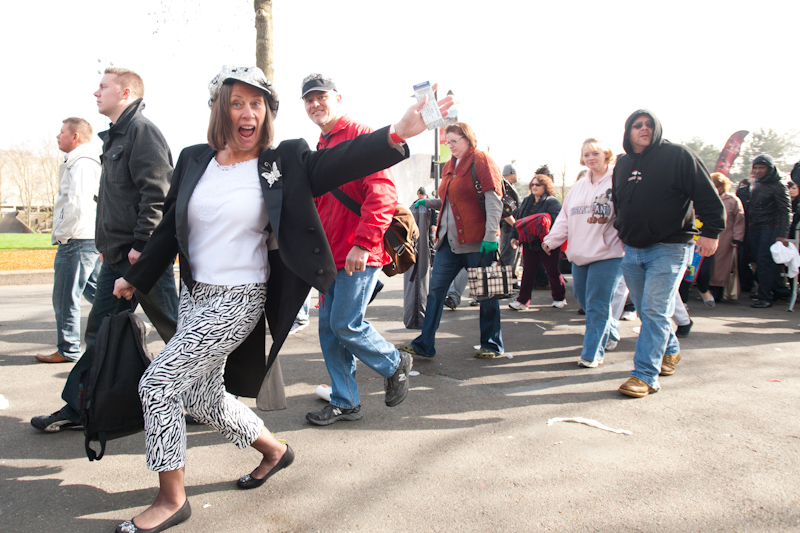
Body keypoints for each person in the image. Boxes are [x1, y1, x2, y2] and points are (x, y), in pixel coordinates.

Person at [110, 66, 450, 533]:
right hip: (195, 295)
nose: (248, 113)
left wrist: (396, 133)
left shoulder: (281, 162)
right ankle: (274, 450)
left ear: (268, 113)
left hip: (239, 298)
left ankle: (171, 499)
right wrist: (136, 275)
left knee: (159, 385)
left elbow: (342, 161)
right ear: (220, 110)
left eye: (258, 104)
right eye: (237, 103)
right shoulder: (194, 159)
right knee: (203, 394)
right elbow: (171, 228)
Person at [31, 68, 179, 433]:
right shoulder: (115, 138)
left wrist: (142, 247)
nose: (95, 92)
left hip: (140, 259)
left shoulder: (142, 133)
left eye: (103, 86)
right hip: (117, 256)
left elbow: (157, 194)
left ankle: (209, 397)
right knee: (100, 332)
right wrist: (105, 245)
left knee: (176, 332)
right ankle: (81, 406)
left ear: (125, 92)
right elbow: (115, 200)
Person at [298, 73, 412, 426]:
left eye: (321, 97)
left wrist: (363, 243)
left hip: (357, 253)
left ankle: (395, 363)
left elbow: (383, 195)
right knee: (329, 331)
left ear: (338, 98)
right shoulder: (320, 145)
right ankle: (345, 401)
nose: (315, 104)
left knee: (345, 323)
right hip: (330, 257)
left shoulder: (362, 136)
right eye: (308, 99)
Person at [612, 109, 724, 398]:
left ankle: (645, 375)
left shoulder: (678, 156)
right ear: (628, 131)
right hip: (633, 249)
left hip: (671, 247)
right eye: (637, 125)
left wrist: (711, 232)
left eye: (649, 124)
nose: (644, 128)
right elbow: (620, 204)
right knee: (650, 312)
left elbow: (707, 195)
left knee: (653, 310)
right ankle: (671, 350)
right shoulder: (622, 164)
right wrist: (622, 231)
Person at [397, 122, 504, 359]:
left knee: (486, 293)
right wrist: (429, 202)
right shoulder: (449, 166)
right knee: (435, 292)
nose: (450, 145)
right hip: (447, 243)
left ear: (468, 139)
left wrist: (491, 236)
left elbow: (494, 199)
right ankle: (424, 344)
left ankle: (491, 344)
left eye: (455, 140)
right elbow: (449, 201)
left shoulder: (481, 159)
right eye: (448, 141)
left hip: (477, 241)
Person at [543, 138, 623, 367]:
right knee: (585, 300)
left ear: (606, 155)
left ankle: (591, 354)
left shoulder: (618, 181)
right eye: (586, 154)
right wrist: (552, 240)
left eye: (595, 153)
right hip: (580, 254)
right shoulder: (578, 187)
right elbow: (565, 217)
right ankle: (611, 330)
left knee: (598, 304)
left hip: (608, 254)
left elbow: (629, 213)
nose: (591, 158)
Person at [35, 118, 102, 364]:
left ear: (75, 137)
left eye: (62, 132)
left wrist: (63, 234)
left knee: (65, 296)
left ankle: (68, 349)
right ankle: (133, 324)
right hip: (86, 237)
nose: (57, 136)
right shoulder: (81, 162)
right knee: (98, 291)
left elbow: (77, 203)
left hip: (76, 238)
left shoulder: (81, 164)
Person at [508, 174, 567, 309]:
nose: (534, 187)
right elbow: (519, 220)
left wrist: (549, 239)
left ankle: (559, 297)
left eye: (538, 184)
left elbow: (557, 222)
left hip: (547, 243)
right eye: (532, 184)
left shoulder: (552, 202)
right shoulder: (527, 201)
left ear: (545, 187)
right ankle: (523, 301)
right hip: (529, 243)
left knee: (552, 270)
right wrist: (514, 237)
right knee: (528, 272)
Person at [746, 155, 792, 308]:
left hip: (770, 228)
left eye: (761, 168)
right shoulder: (757, 183)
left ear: (770, 169)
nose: (757, 171)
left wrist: (782, 235)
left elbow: (786, 211)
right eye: (756, 168)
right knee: (757, 261)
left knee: (764, 261)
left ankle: (765, 297)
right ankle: (774, 291)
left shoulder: (779, 185)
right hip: (755, 227)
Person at [708, 173, 746, 301]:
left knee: (721, 265)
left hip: (726, 237)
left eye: (717, 186)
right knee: (707, 264)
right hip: (707, 235)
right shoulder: (706, 198)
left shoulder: (732, 200)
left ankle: (718, 291)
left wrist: (737, 238)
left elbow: (739, 221)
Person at [499, 163, 521, 274]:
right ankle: (505, 283)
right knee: (508, 257)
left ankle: (509, 281)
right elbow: (504, 210)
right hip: (509, 226)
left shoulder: (508, 186)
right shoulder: (505, 186)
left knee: (512, 257)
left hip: (512, 226)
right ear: (511, 173)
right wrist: (516, 225)